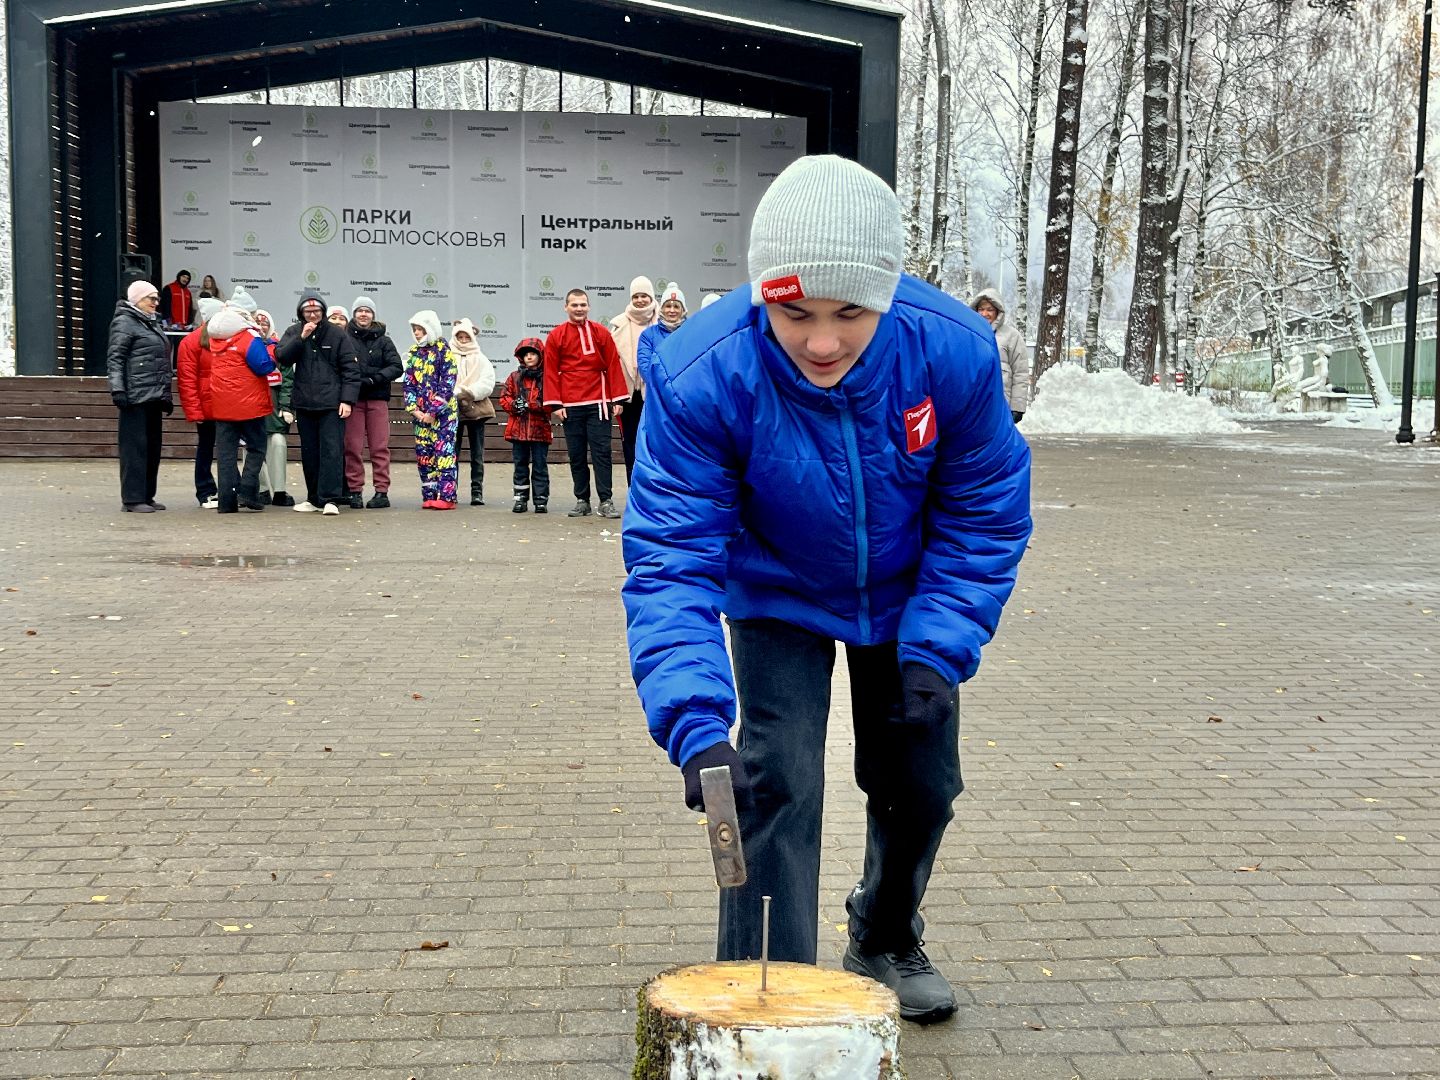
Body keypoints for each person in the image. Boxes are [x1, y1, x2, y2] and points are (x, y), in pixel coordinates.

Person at [621, 155, 1032, 1025]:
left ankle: (883, 931)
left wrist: (938, 647)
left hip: (911, 595)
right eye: (793, 311)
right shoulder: (703, 371)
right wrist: (693, 718)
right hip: (773, 590)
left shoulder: (953, 350)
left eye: (850, 313)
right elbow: (669, 555)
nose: (820, 341)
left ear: (887, 294)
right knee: (773, 781)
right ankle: (762, 983)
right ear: (760, 293)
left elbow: (985, 511)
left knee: (920, 779)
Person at [542, 289, 628, 518]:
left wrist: (617, 398)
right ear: (566, 307)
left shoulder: (601, 333)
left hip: (598, 401)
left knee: (602, 452)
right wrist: (556, 404)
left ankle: (606, 500)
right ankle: (582, 499)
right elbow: (550, 370)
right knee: (577, 454)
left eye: (582, 305)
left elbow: (612, 364)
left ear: (588, 307)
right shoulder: (556, 335)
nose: (579, 308)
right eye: (574, 305)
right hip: (570, 404)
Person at [274, 292, 361, 515]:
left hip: (332, 404)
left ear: (323, 312)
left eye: (317, 311)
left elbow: (351, 370)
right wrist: (301, 338)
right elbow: (282, 357)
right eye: (308, 312)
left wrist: (347, 400)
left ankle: (331, 498)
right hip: (304, 403)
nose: (313, 315)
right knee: (310, 452)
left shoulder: (337, 335)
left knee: (331, 451)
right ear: (301, 314)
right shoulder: (294, 331)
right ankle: (313, 498)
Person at [106, 280, 173, 513]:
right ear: (137, 299)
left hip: (153, 394)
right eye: (150, 298)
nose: (155, 303)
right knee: (135, 448)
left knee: (152, 447)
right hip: (135, 395)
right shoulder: (125, 322)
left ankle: (146, 494)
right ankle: (132, 498)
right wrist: (118, 389)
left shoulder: (150, 323)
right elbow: (116, 358)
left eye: (156, 298)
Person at [204, 303, 278, 513]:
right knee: (256, 447)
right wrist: (271, 347)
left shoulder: (216, 338)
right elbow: (263, 365)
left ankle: (227, 503)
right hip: (249, 403)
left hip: (222, 403)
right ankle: (247, 489)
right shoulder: (248, 337)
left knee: (226, 454)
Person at [344, 297, 403, 509]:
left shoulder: (384, 341)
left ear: (373, 315)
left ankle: (381, 491)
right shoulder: (344, 338)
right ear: (354, 313)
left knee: (379, 447)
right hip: (354, 399)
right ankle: (355, 491)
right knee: (353, 447)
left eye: (367, 311)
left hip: (377, 399)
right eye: (359, 310)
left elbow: (396, 366)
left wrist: (374, 378)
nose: (363, 314)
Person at [403, 310, 459, 510]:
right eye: (415, 329)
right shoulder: (413, 353)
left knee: (443, 454)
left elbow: (447, 384)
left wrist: (433, 411)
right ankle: (429, 494)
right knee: (424, 454)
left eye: (421, 329)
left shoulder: (445, 352)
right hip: (420, 416)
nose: (417, 333)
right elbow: (408, 383)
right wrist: (414, 409)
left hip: (443, 416)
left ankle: (447, 497)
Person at [176, 296, 225, 508]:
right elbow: (187, 380)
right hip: (207, 407)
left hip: (228, 404)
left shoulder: (229, 337)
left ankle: (228, 489)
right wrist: (195, 412)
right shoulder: (191, 342)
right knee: (206, 448)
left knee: (226, 450)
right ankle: (205, 491)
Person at [608, 276, 658, 482]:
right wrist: (615, 397)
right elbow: (612, 363)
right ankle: (633, 487)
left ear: (651, 296)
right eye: (635, 296)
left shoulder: (661, 323)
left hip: (654, 393)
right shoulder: (618, 324)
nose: (640, 300)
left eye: (644, 295)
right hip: (627, 394)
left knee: (654, 442)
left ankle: (653, 488)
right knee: (630, 441)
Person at [500, 337, 553, 514]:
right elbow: (504, 397)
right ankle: (520, 499)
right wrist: (515, 405)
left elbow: (551, 402)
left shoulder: (547, 377)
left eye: (533, 354)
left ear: (540, 356)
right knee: (520, 465)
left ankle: (540, 500)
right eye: (526, 355)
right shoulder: (514, 377)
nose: (529, 357)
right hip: (518, 430)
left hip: (540, 430)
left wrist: (531, 405)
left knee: (540, 466)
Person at [451, 317, 497, 506]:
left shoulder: (481, 358)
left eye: (466, 337)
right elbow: (444, 378)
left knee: (477, 453)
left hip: (476, 409)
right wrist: (455, 394)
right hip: (452, 409)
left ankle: (476, 491)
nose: (463, 340)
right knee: (452, 453)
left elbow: (487, 382)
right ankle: (449, 489)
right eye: (460, 337)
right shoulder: (448, 356)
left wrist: (470, 393)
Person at [970, 289, 1030, 424]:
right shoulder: (969, 334)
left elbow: (1020, 373)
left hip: (1002, 405)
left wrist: (1017, 407)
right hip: (974, 405)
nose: (985, 314)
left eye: (990, 309)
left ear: (998, 311)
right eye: (981, 309)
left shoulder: (1012, 336)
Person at [636, 285, 687, 398]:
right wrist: (665, 389)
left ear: (683, 310)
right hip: (657, 396)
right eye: (668, 306)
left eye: (676, 307)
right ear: (662, 309)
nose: (672, 310)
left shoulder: (691, 332)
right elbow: (645, 368)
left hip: (684, 395)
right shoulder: (648, 335)